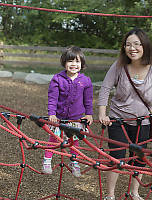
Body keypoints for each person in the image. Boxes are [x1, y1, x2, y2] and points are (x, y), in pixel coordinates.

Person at [98, 28, 152, 200]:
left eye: (136, 44)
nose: (132, 48)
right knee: (117, 156)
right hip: (118, 118)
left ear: (145, 46)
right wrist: (102, 112)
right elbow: (105, 88)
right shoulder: (119, 66)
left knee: (139, 157)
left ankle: (135, 192)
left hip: (143, 121)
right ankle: (110, 195)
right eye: (128, 45)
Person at [42, 46, 93, 177]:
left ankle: (74, 162)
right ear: (64, 62)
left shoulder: (85, 81)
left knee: (73, 141)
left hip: (75, 118)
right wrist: (52, 114)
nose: (74, 64)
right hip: (59, 117)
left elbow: (88, 100)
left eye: (77, 62)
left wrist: (89, 114)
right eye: (70, 61)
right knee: (53, 139)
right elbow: (52, 98)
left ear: (82, 64)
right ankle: (47, 161)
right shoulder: (57, 79)